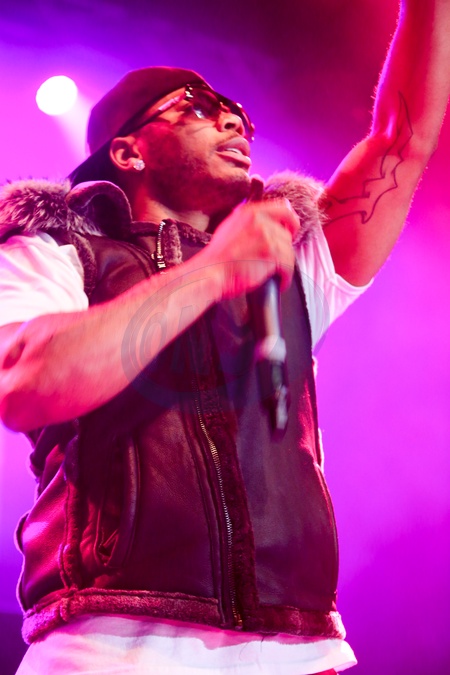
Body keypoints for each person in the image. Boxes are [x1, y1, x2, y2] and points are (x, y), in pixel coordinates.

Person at [0, 1, 449, 673]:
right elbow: (27, 383)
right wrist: (215, 269)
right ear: (127, 150)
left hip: (299, 651)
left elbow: (399, 144)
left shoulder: (284, 265)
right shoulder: (57, 250)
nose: (235, 121)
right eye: (198, 108)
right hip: (109, 648)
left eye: (237, 112)